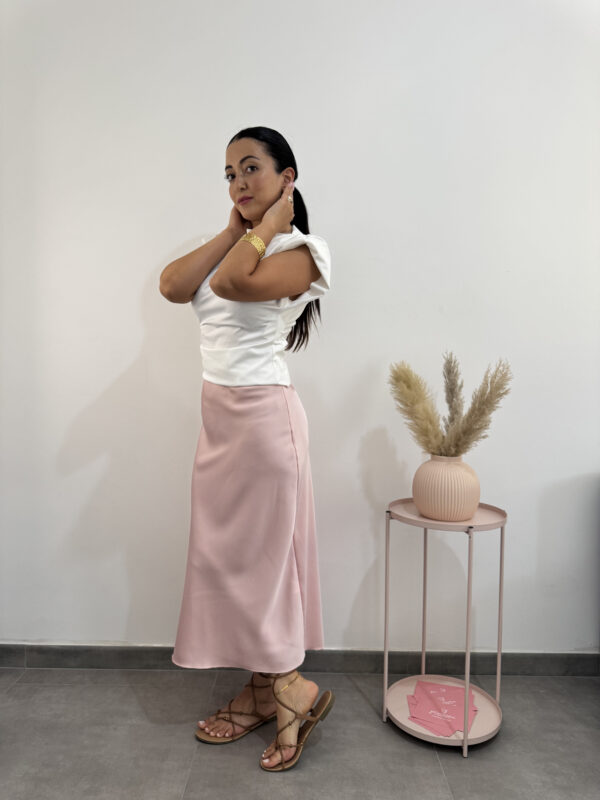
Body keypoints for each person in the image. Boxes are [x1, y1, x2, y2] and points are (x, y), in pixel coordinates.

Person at [159, 126, 335, 772]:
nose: (238, 181)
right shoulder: (241, 244)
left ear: (288, 177)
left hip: (264, 422)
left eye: (252, 168)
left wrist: (268, 227)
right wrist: (235, 228)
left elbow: (234, 284)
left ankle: (290, 691)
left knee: (265, 564)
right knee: (224, 559)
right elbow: (173, 285)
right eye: (230, 173)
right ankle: (265, 689)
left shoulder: (301, 251)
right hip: (220, 423)